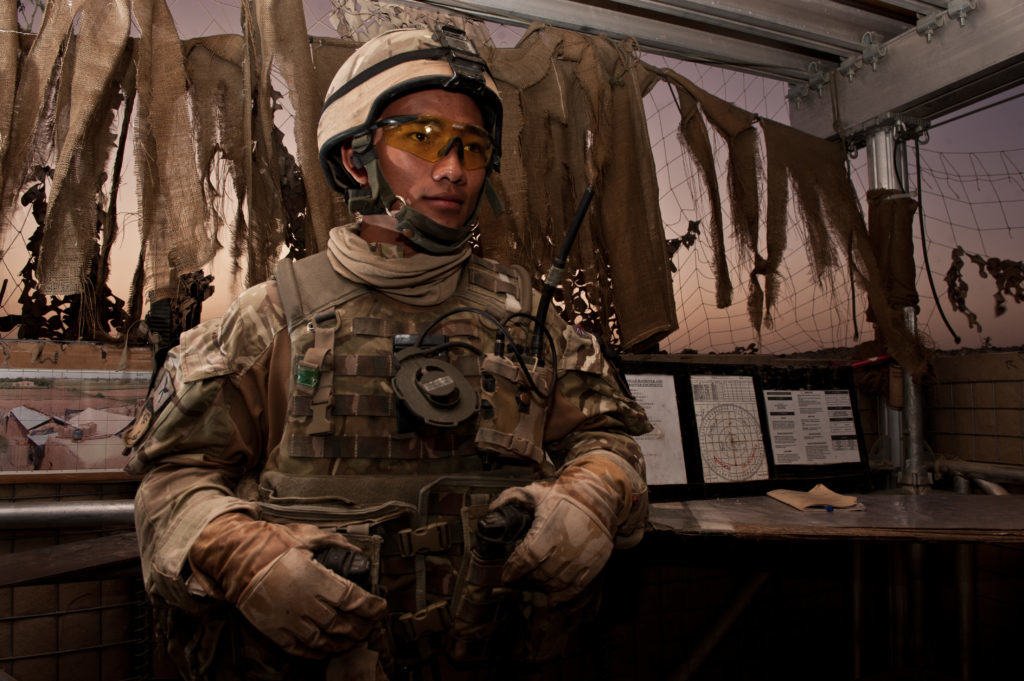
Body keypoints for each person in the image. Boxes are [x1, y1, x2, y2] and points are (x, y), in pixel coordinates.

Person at [125, 25, 650, 681]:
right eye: (422, 138)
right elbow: (172, 480)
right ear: (355, 160)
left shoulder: (526, 315)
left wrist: (591, 496)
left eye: (472, 147)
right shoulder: (273, 316)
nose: (453, 170)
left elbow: (607, 439)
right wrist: (243, 556)